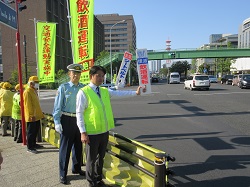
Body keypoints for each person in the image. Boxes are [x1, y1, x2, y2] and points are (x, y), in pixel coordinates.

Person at [76, 65, 146, 187]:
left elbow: (119, 94)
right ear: (91, 76)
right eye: (98, 75)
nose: (101, 78)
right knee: (91, 160)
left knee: (101, 158)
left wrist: (135, 93)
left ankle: (98, 179)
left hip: (103, 132)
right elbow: (79, 113)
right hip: (91, 133)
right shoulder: (83, 92)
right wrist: (83, 132)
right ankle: (91, 183)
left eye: (103, 76)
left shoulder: (104, 91)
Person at [53, 63, 85, 185]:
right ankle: (62, 174)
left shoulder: (83, 88)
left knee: (78, 146)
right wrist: (57, 122)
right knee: (65, 149)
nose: (76, 75)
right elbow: (57, 107)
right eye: (73, 73)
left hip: (79, 120)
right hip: (67, 119)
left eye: (78, 73)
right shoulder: (64, 88)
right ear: (69, 74)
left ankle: (77, 168)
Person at [23, 76, 44, 154]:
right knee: (31, 132)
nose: (37, 84)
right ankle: (30, 147)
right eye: (36, 82)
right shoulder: (27, 91)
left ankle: (34, 144)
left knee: (35, 130)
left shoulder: (34, 90)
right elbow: (28, 105)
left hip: (37, 115)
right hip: (32, 116)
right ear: (31, 83)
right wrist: (31, 115)